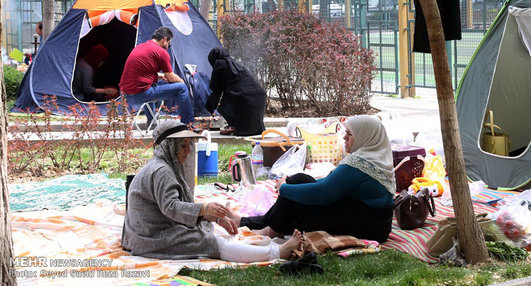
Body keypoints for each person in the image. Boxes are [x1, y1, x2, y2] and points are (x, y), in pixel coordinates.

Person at [122, 120, 302, 261]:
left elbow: (176, 207)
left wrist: (213, 216)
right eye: (182, 146)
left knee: (205, 227)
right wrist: (204, 209)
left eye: (188, 145)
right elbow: (171, 207)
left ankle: (263, 240)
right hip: (151, 237)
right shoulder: (162, 171)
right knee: (209, 242)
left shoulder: (164, 166)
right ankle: (277, 252)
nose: (187, 151)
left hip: (150, 230)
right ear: (169, 148)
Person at [230, 115, 395, 242]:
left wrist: (284, 188)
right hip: (375, 226)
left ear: (365, 137)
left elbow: (322, 193)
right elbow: (327, 183)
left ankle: (268, 227)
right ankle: (264, 225)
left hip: (365, 227)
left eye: (350, 134)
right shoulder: (375, 158)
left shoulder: (360, 164)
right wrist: (291, 187)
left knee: (296, 185)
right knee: (300, 181)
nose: (344, 138)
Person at [120, 27, 194, 125]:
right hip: (140, 95)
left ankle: (152, 120)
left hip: (125, 95)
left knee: (151, 85)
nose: (168, 46)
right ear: (164, 40)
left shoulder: (140, 46)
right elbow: (170, 77)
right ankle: (188, 124)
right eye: (169, 43)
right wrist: (182, 81)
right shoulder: (161, 52)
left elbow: (140, 72)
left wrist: (159, 76)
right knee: (182, 88)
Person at [206, 47, 266, 136]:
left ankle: (233, 125)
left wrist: (208, 107)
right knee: (227, 97)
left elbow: (215, 88)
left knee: (216, 101)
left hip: (244, 98)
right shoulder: (236, 64)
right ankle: (242, 126)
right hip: (260, 97)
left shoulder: (219, 63)